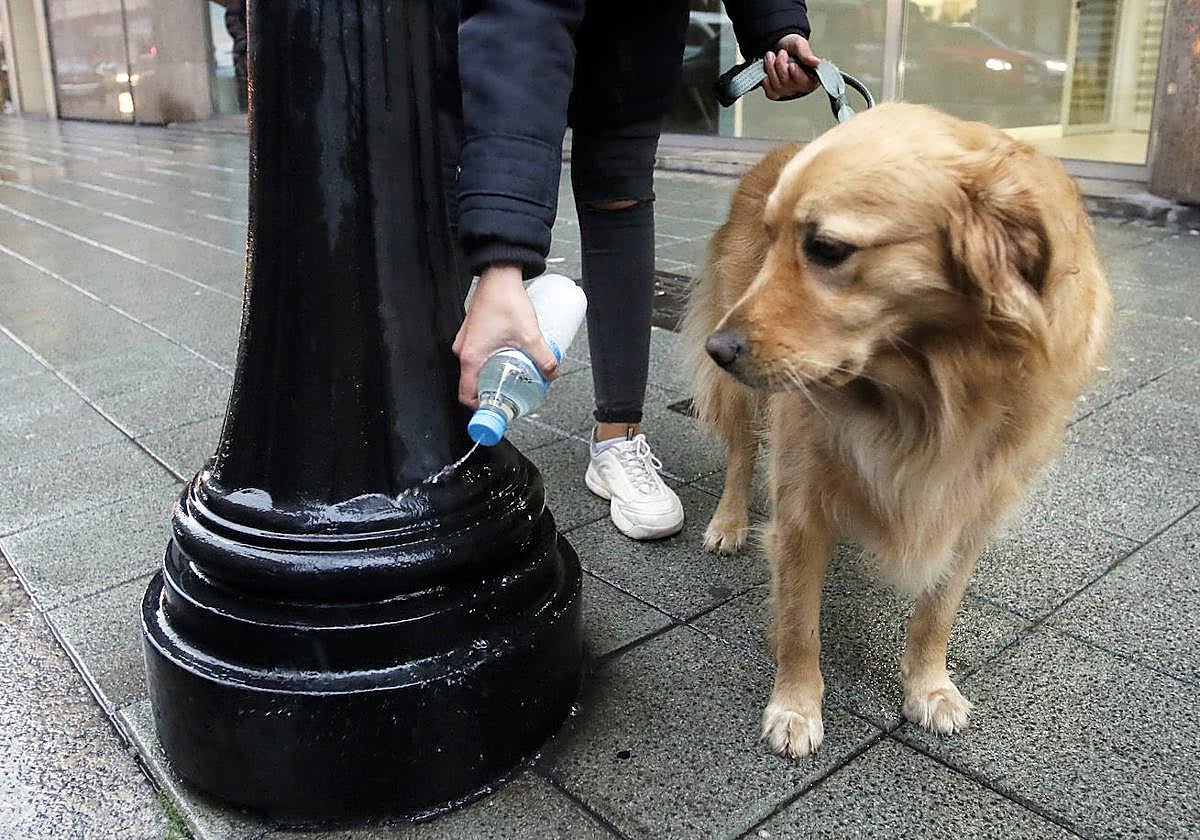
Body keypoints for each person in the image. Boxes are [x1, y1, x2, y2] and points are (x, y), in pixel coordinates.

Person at [453, 0, 817, 540]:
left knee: (619, 206)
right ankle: (440, 432)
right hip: (510, 25)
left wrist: (775, 26)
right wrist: (502, 261)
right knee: (468, 181)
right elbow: (517, 38)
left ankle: (617, 440)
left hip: (634, 41)